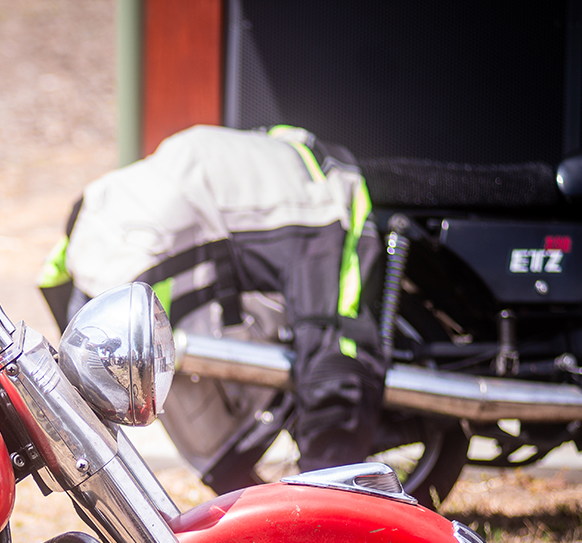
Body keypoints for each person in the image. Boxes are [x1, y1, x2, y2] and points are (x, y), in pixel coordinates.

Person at [38, 124, 383, 491]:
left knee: (336, 354)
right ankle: (318, 497)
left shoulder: (96, 250)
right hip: (214, 191)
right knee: (324, 356)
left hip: (311, 195)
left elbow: (334, 364)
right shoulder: (113, 257)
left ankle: (330, 500)